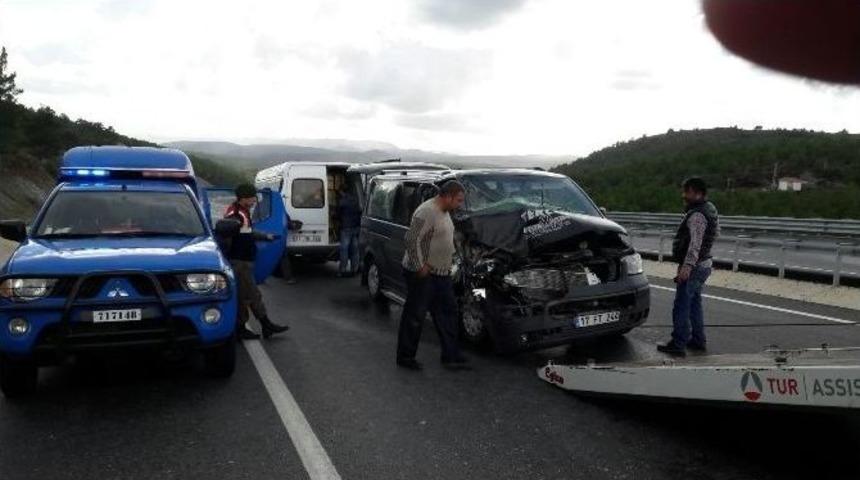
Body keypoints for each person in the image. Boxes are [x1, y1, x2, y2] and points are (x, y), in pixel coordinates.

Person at [396, 180, 468, 370]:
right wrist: (420, 266)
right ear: (448, 196)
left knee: (448, 312)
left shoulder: (445, 212)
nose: (459, 204)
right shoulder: (426, 211)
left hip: (441, 273)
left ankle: (451, 355)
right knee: (415, 315)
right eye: (458, 200)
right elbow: (411, 239)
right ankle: (405, 357)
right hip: (422, 274)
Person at [658, 177, 720, 357]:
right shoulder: (710, 209)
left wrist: (687, 268)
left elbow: (695, 244)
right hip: (704, 264)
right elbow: (716, 233)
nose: (683, 195)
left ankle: (678, 343)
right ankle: (698, 340)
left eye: (686, 191)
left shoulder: (698, 214)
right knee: (694, 304)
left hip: (694, 267)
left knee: (682, 305)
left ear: (696, 192)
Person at [224, 183, 290, 340]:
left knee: (246, 296)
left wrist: (267, 236)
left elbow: (248, 233)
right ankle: (256, 326)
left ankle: (260, 326)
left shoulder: (243, 212)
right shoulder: (235, 215)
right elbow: (227, 237)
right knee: (250, 295)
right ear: (244, 198)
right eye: (253, 197)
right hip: (239, 262)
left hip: (244, 260)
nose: (255, 200)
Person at [336, 185, 362, 277]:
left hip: (346, 228)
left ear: (342, 192)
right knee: (355, 249)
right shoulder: (355, 200)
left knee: (344, 249)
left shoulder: (342, 201)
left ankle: (342, 270)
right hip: (356, 227)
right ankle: (354, 269)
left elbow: (338, 214)